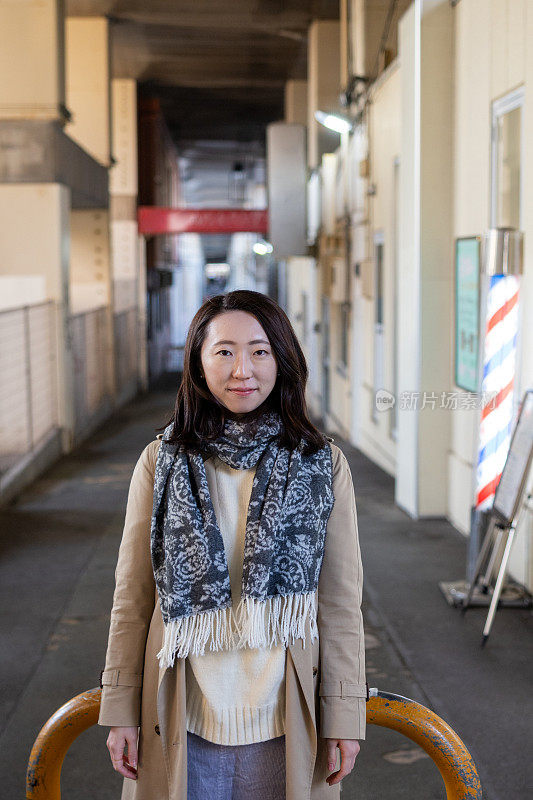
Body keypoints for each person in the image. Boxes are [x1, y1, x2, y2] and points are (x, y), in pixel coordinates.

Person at [98, 289, 367, 800]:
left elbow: (339, 605)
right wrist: (119, 709)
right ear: (199, 364)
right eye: (224, 351)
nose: (242, 369)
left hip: (289, 718)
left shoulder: (322, 465)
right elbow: (132, 599)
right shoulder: (162, 463)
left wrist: (345, 713)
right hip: (181, 716)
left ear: (282, 359)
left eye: (260, 351)